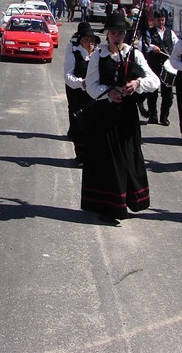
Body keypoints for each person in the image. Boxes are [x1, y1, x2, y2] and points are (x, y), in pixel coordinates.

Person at [81, 12, 159, 223]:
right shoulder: (98, 55)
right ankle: (109, 207)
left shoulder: (136, 55)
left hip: (127, 117)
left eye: (121, 33)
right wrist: (109, 93)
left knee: (128, 158)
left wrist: (137, 84)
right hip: (104, 116)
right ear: (107, 34)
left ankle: (127, 201)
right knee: (108, 161)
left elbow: (155, 81)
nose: (117, 36)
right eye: (113, 32)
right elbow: (91, 86)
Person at [64, 22, 100, 166]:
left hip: (95, 97)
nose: (89, 43)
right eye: (86, 40)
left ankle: (92, 155)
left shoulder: (98, 56)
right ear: (81, 41)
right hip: (78, 96)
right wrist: (80, 83)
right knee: (79, 126)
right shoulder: (74, 55)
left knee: (94, 127)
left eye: (92, 40)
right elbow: (67, 76)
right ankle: (81, 156)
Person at [142, 8, 179, 125]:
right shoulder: (149, 32)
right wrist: (152, 47)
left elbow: (177, 45)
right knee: (152, 91)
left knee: (167, 94)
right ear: (154, 20)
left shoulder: (170, 32)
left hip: (167, 66)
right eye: (158, 20)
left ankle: (164, 117)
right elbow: (143, 45)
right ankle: (153, 116)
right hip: (153, 65)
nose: (161, 23)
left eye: (162, 20)